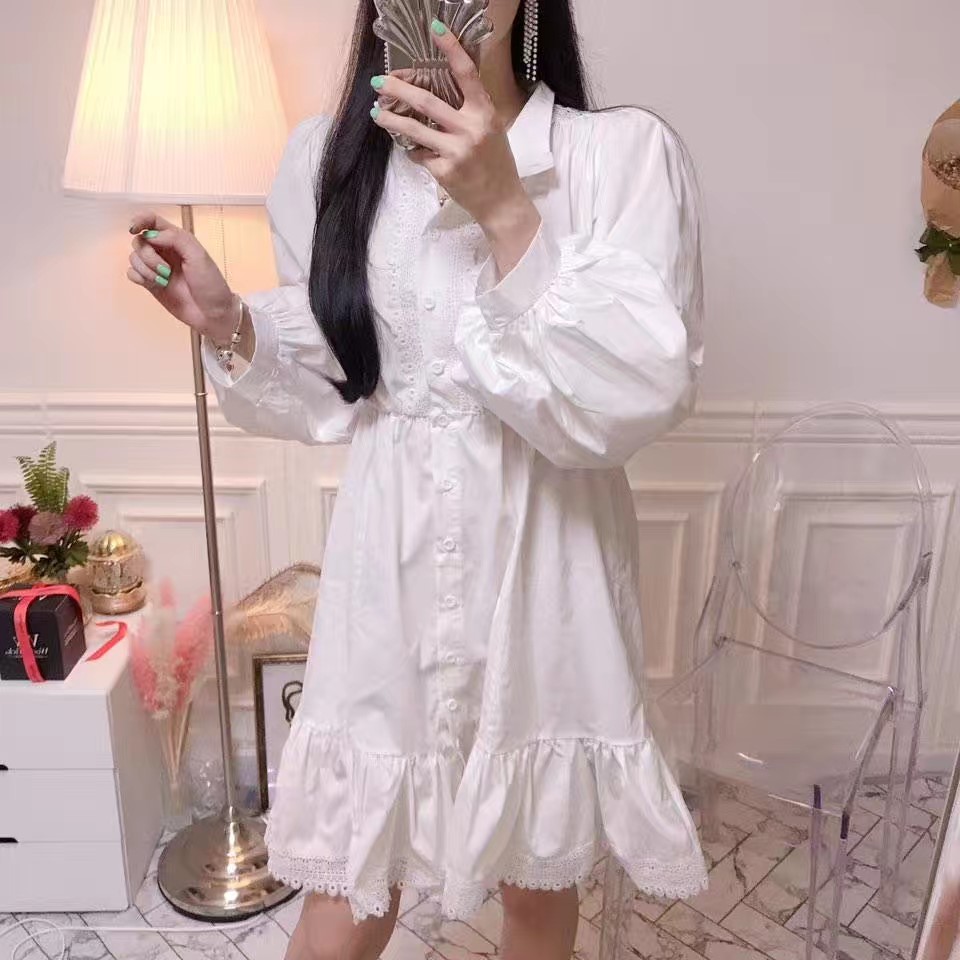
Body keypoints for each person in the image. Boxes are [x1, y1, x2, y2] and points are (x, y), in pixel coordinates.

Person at [125, 0, 708, 956]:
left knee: (534, 882)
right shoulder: (328, 163)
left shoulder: (620, 157)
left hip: (547, 564)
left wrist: (506, 208)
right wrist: (230, 322)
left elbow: (635, 393)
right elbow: (343, 385)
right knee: (350, 883)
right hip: (387, 567)